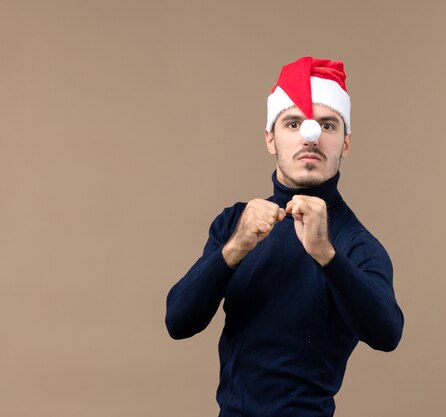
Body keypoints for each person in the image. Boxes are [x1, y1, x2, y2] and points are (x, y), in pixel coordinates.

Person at [165, 56, 404, 417]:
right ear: (270, 139)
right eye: (294, 123)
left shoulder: (354, 243)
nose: (311, 136)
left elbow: (387, 334)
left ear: (346, 142)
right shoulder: (235, 222)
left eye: (327, 124)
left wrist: (326, 255)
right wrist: (236, 248)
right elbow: (178, 322)